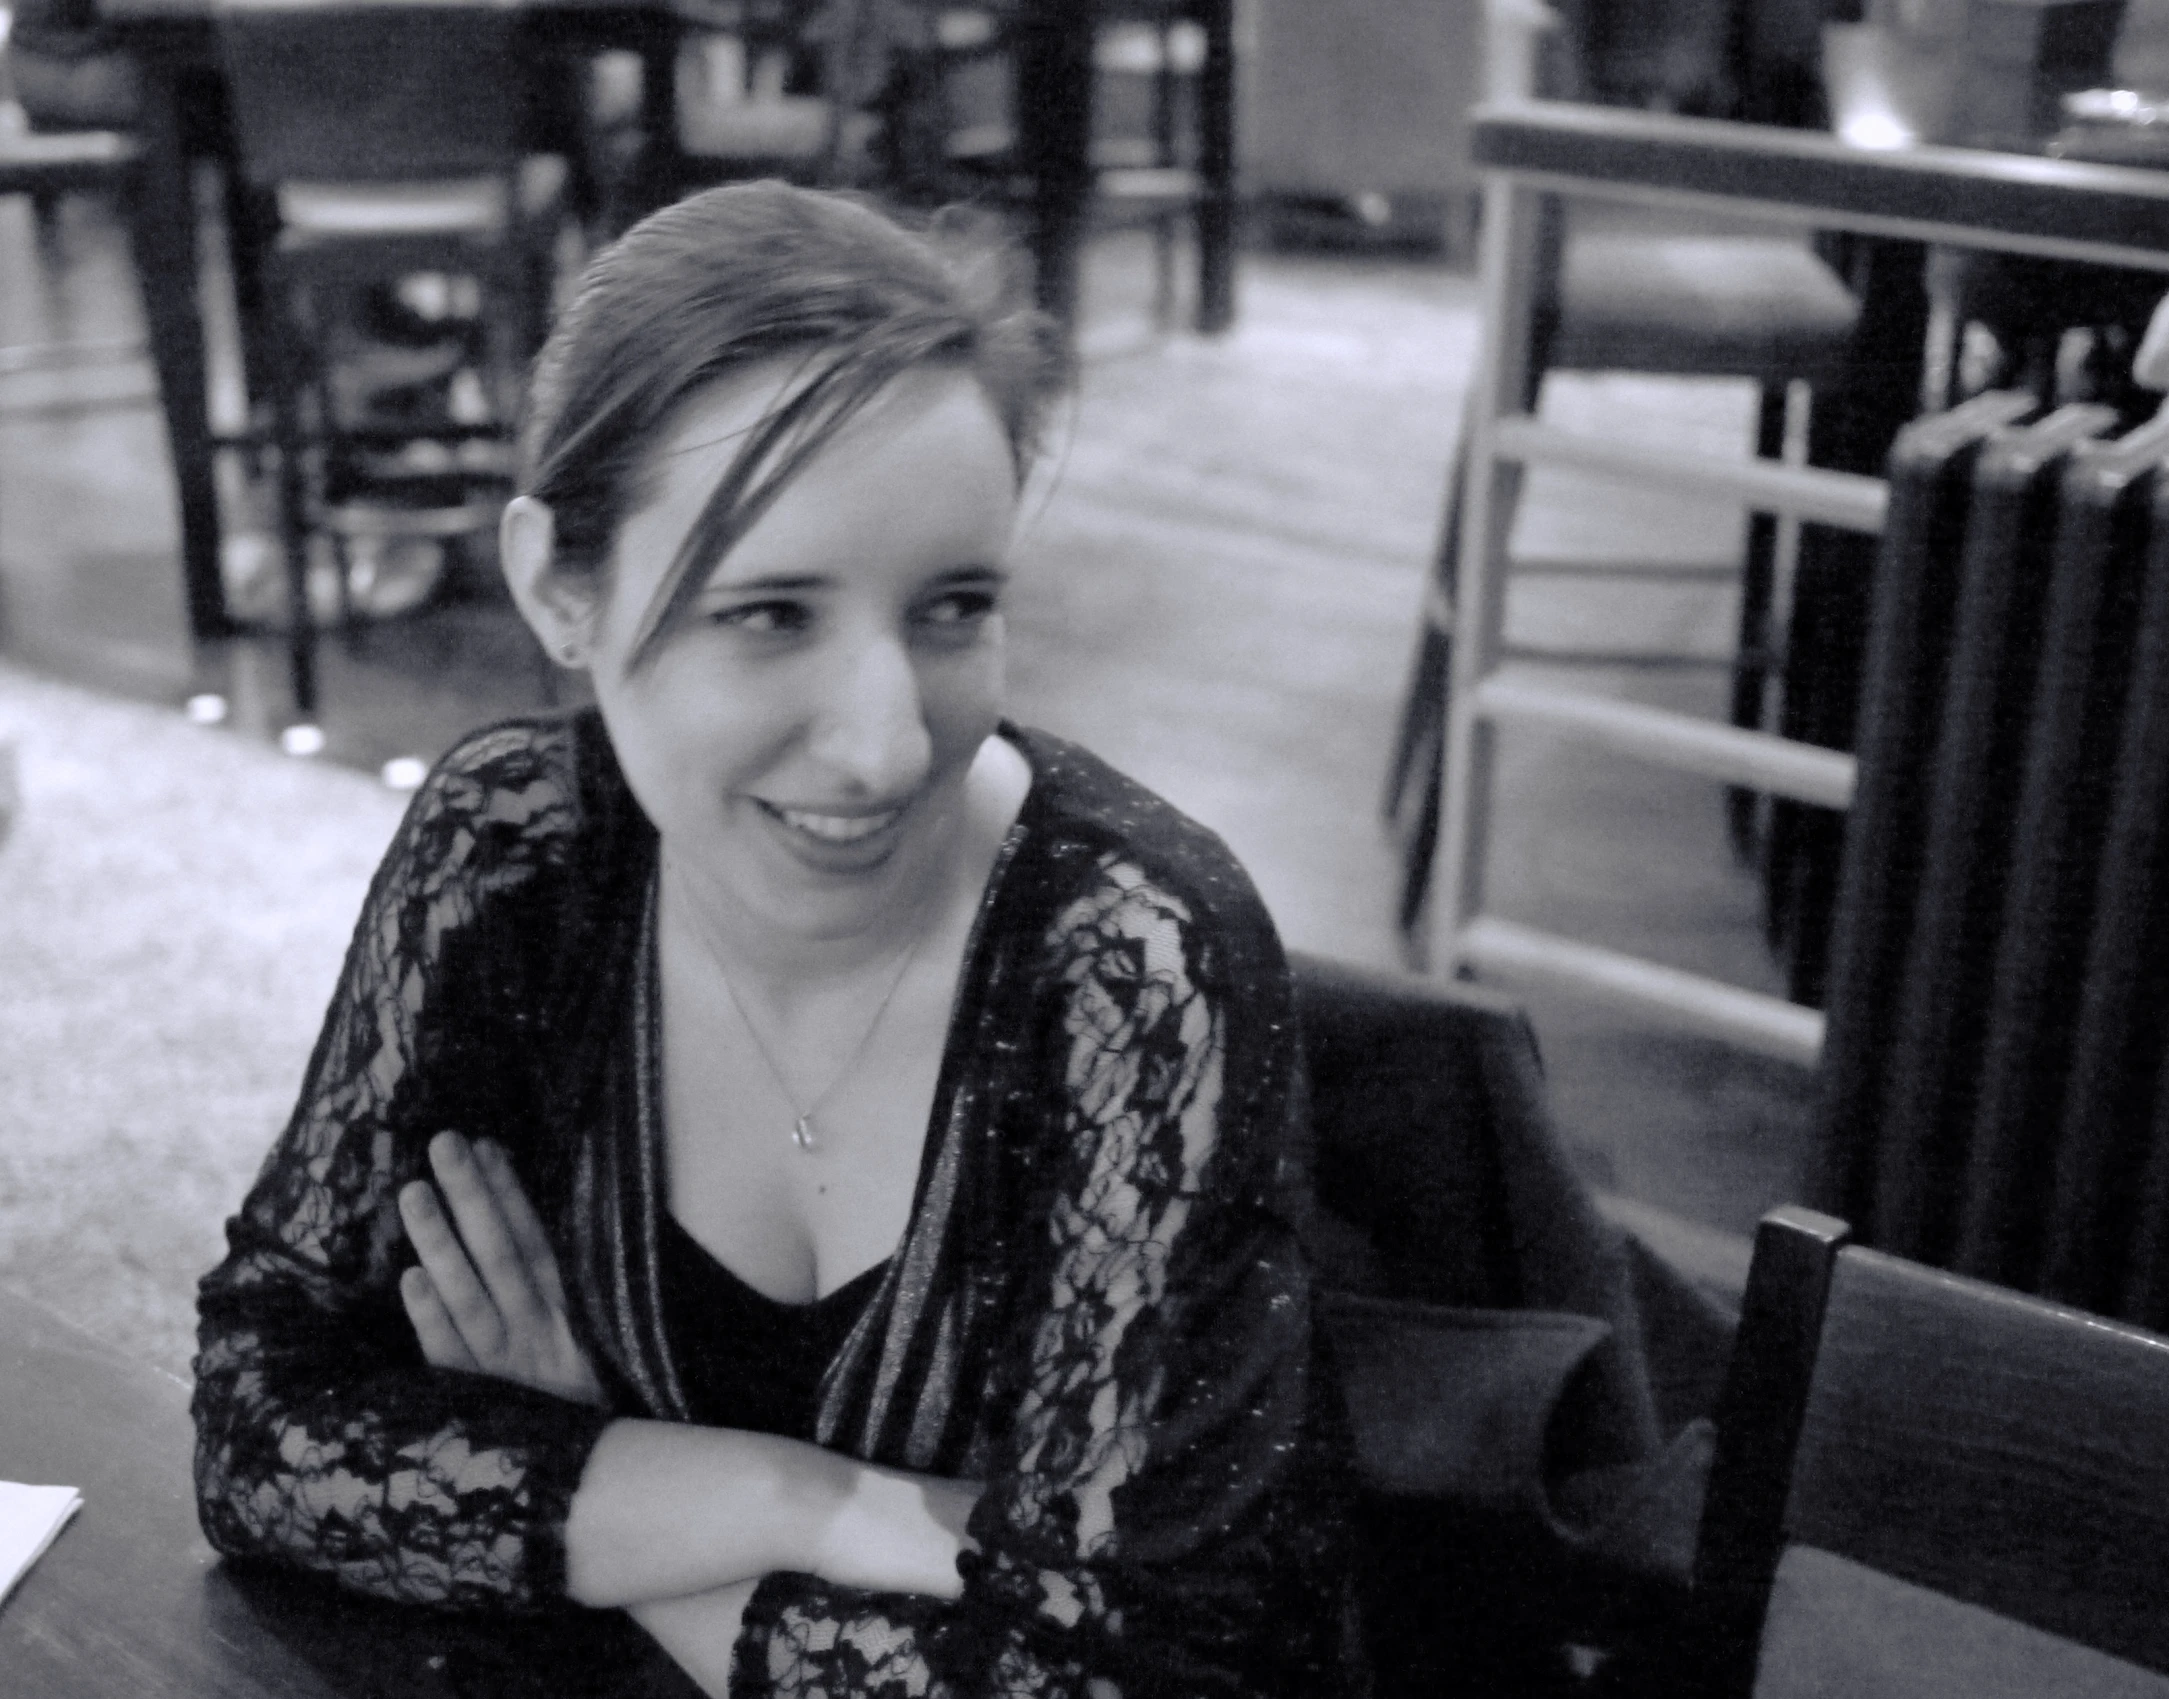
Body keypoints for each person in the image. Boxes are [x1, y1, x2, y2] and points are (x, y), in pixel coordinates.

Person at [191, 181, 1359, 1699]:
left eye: (952, 607)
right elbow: (258, 1426)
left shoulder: (1135, 967)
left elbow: (1134, 1669)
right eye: (769, 614)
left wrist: (580, 1484)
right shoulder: (512, 853)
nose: (880, 747)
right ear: (560, 585)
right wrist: (808, 1500)